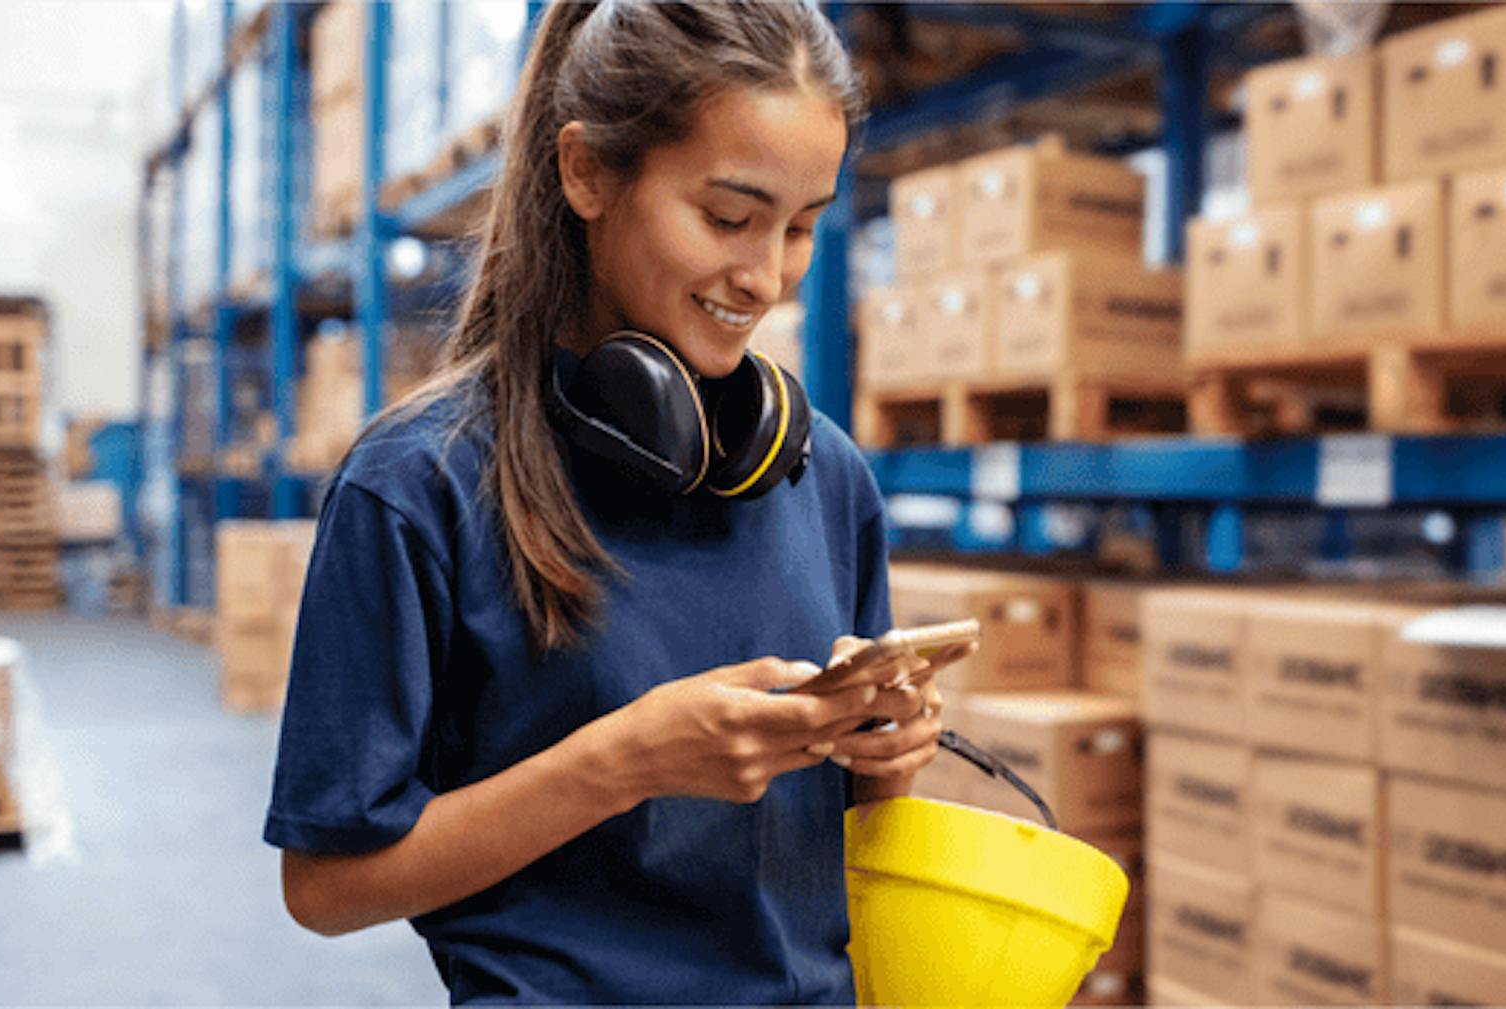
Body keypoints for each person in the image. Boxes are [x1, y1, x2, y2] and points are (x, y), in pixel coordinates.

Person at [262, 1, 976, 1003]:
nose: (765, 276)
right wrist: (620, 763)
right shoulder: (418, 486)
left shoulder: (827, 479)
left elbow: (846, 840)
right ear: (586, 171)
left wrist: (886, 755)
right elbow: (327, 884)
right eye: (728, 217)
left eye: (803, 227)